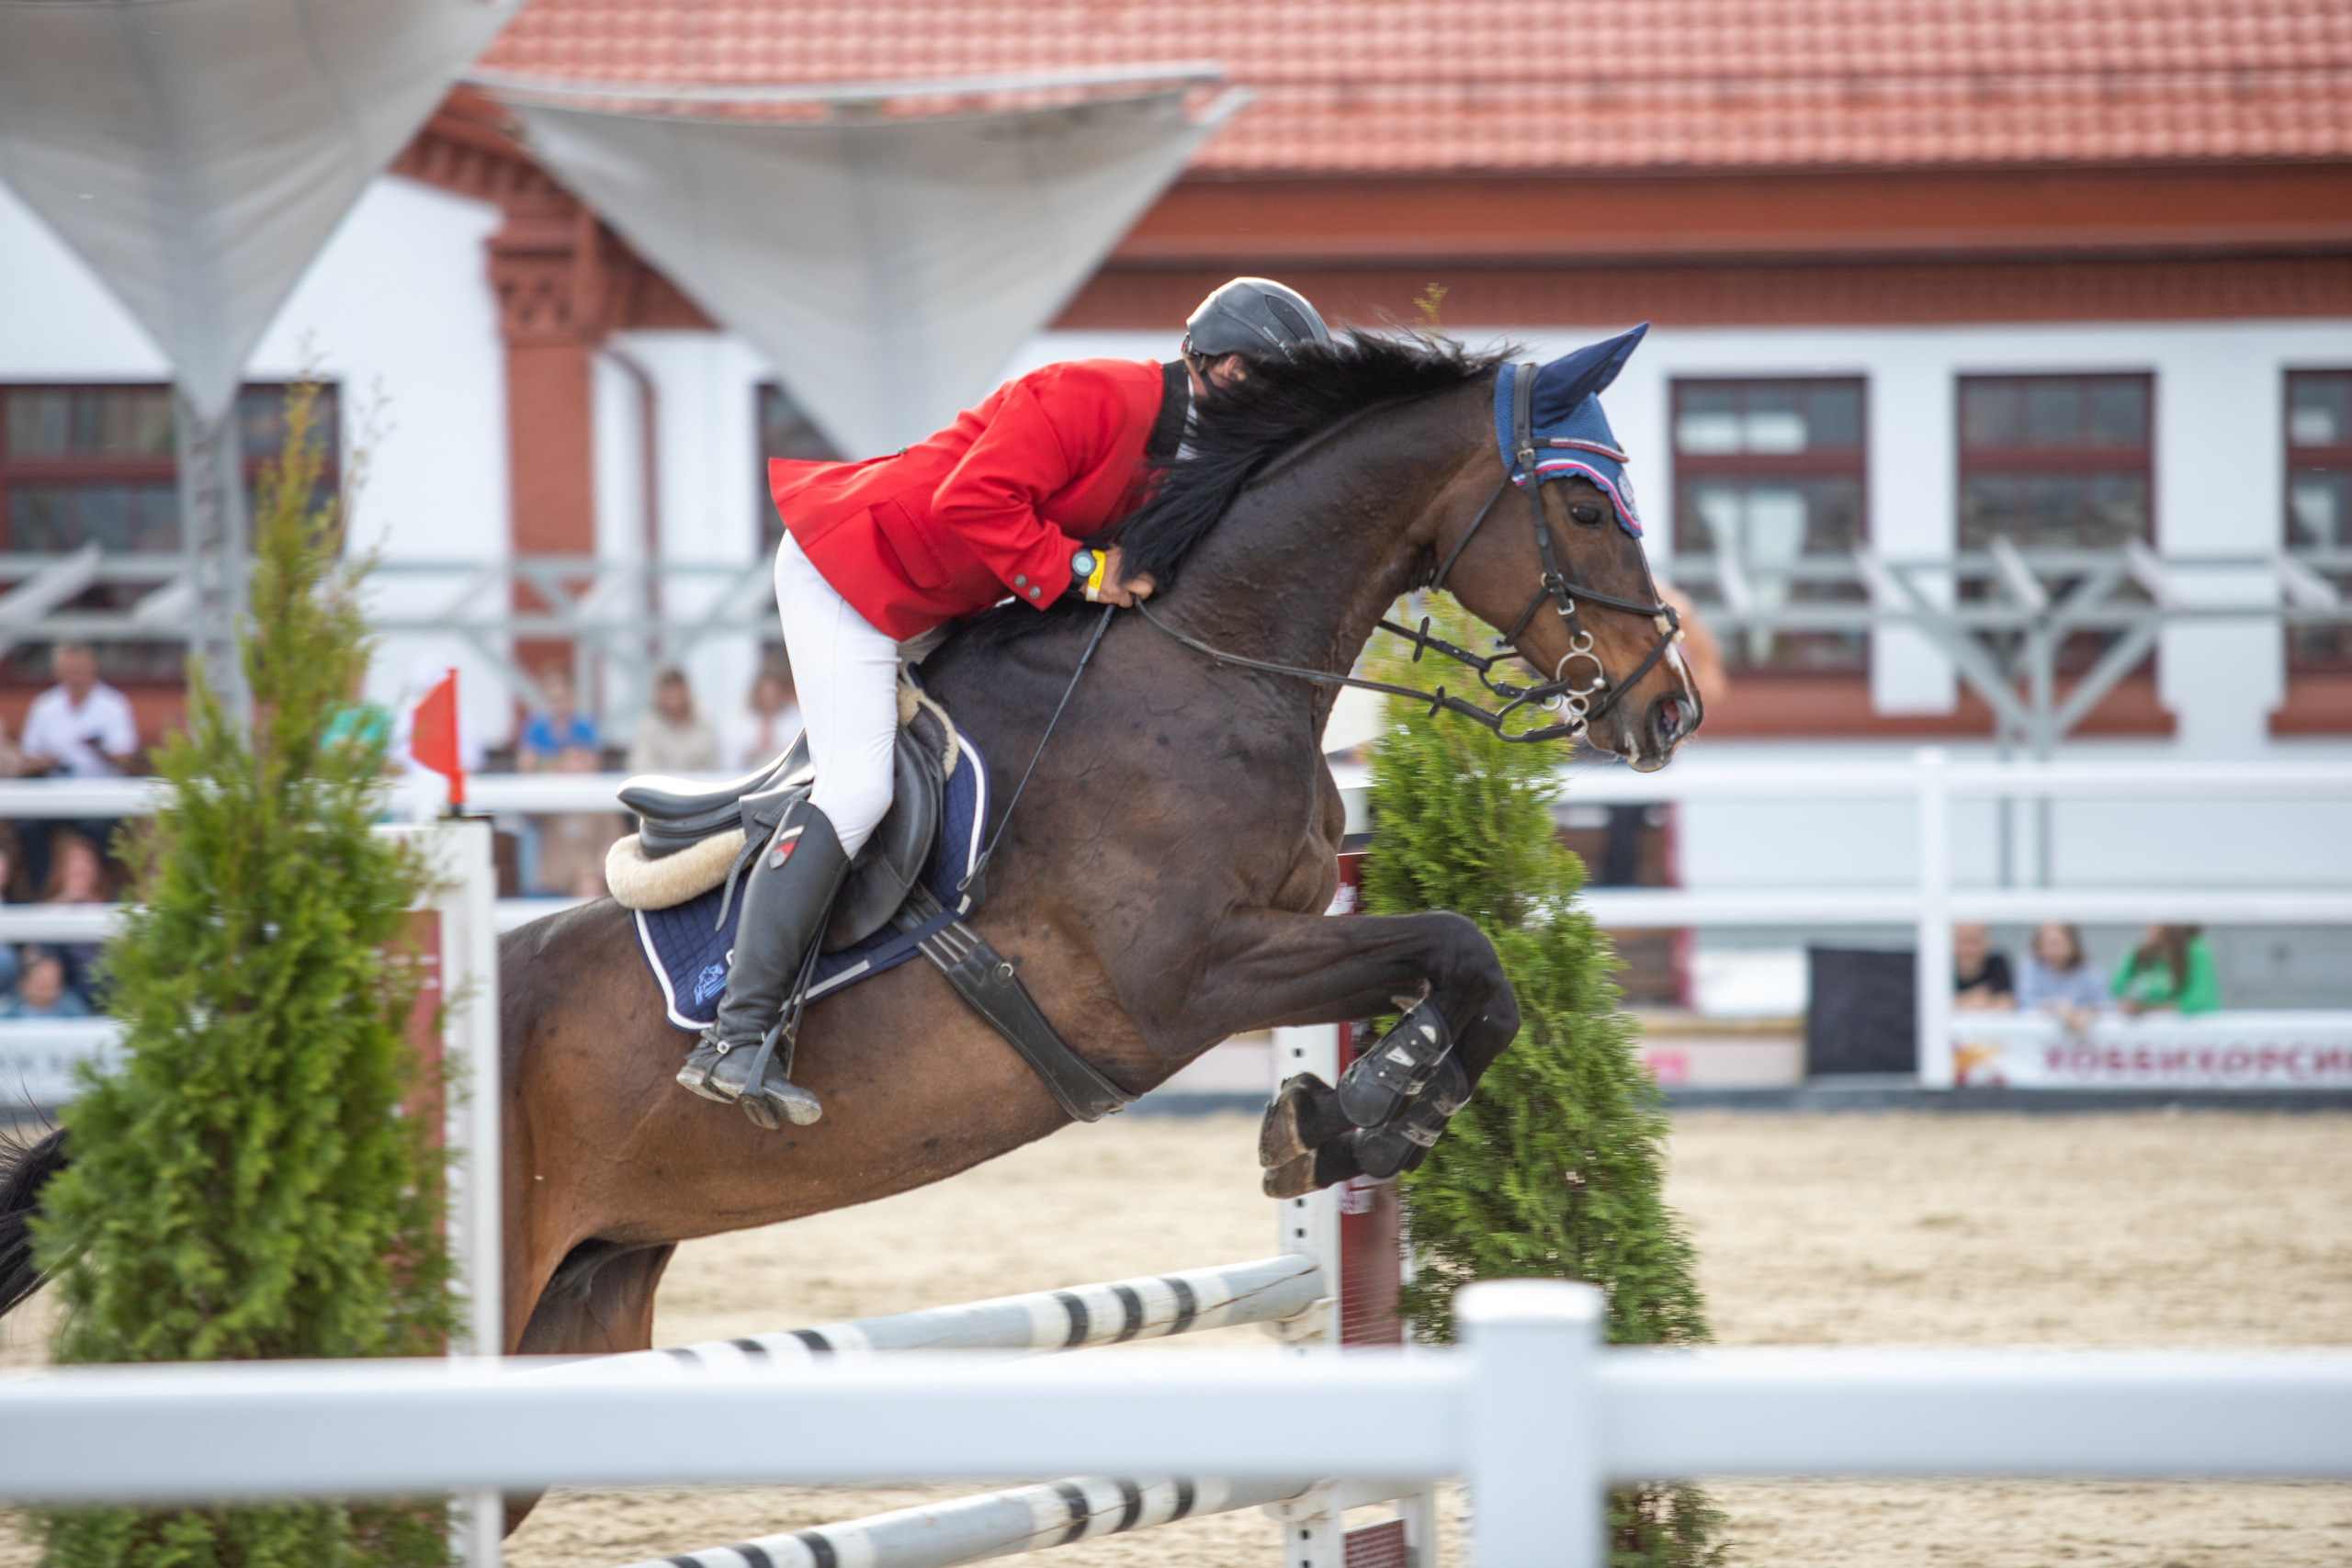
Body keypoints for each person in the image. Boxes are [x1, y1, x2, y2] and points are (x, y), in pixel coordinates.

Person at [678, 276, 1334, 1125]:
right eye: (1284, 394)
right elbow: (972, 499)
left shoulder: (1193, 454)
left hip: (935, 596)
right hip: (852, 567)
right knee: (857, 787)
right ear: (1235, 370)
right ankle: (736, 1033)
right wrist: (1086, 572)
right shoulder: (1090, 394)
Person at [17, 641, 138, 895]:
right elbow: (25, 760)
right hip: (55, 794)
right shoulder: (45, 706)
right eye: (68, 670)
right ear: (57, 672)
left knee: (97, 829)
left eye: (79, 669)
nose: (74, 677)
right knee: (28, 824)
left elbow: (127, 760)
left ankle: (100, 894)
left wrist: (99, 750)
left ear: (93, 669)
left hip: (101, 797)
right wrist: (44, 761)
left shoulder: (113, 705)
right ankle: (47, 893)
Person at [628, 666, 721, 774]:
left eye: (675, 696)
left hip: (700, 787)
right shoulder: (649, 725)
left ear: (685, 693)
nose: (671, 703)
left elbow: (714, 765)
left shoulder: (705, 722)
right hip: (659, 788)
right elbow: (640, 766)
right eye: (667, 697)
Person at [2113, 924, 2220, 1016]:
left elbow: (2199, 1003)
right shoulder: (2146, 954)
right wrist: (2138, 948)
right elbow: (2117, 988)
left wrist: (2147, 1009)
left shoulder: (2195, 949)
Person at [2015, 921, 2106, 1030]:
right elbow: (2023, 1005)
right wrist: (2053, 1007)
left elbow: (2106, 1006)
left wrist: (2088, 1013)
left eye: (2057, 944)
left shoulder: (2088, 970)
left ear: (2072, 944)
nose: (2052, 951)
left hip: (2083, 1042)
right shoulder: (2030, 967)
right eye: (2045, 944)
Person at [724, 663, 803, 771]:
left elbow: (798, 754)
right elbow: (729, 759)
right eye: (765, 694)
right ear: (757, 693)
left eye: (773, 694)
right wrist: (751, 751)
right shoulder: (741, 720)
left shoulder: (794, 719)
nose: (769, 699)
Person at [519, 666, 599, 771]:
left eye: (561, 699)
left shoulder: (586, 727)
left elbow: (592, 764)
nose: (558, 706)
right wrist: (561, 762)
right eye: (553, 700)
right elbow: (526, 764)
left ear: (572, 698)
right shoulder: (535, 728)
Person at [1, 949, 89, 1020]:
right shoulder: (10, 1014)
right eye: (42, 985)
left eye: (53, 984)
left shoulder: (72, 1011)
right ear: (24, 983)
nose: (48, 991)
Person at [1951, 922, 2014, 1010]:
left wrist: (1959, 1002)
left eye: (1975, 941)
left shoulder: (1997, 964)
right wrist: (1977, 997)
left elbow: (2005, 1005)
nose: (1969, 948)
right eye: (1964, 941)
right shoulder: (1941, 966)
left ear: (1987, 942)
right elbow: (1936, 1005)